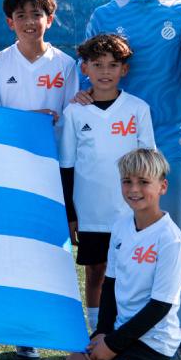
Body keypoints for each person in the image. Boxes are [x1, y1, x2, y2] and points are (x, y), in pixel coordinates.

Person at [83, 0, 181, 360]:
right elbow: (90, 74)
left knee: (177, 242)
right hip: (116, 148)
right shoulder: (105, 13)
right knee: (117, 245)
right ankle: (111, 331)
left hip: (170, 145)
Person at [0, 0, 77, 360]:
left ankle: (29, 335)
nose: (28, 21)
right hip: (6, 172)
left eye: (36, 14)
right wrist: (27, 123)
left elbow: (72, 118)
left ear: (49, 19)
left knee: (41, 255)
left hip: (50, 175)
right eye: (20, 15)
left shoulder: (66, 64)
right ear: (10, 21)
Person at [53, 148, 181, 360]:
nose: (134, 189)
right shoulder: (121, 226)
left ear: (162, 186)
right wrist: (104, 331)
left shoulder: (170, 239)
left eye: (143, 182)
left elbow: (159, 307)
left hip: (152, 340)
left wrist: (113, 345)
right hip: (117, 331)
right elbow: (110, 285)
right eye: (127, 181)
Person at [60, 33, 154, 334]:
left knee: (131, 272)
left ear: (124, 70)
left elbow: (149, 164)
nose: (105, 72)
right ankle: (96, 330)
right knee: (96, 271)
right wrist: (71, 215)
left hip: (129, 213)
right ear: (84, 68)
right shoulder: (75, 111)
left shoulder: (137, 108)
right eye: (97, 65)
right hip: (90, 213)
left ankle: (125, 329)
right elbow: (67, 166)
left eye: (113, 65)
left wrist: (148, 211)